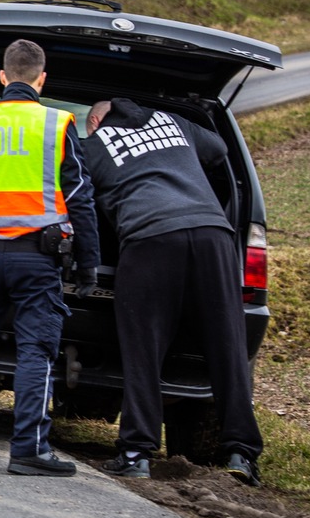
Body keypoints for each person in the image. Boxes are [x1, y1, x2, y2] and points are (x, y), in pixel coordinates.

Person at [0, 39, 100, 476]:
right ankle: (28, 450)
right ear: (41, 79)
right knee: (36, 352)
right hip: (37, 258)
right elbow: (80, 198)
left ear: (4, 78)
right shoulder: (57, 124)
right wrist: (88, 263)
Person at [84, 98, 264, 486]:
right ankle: (241, 454)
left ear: (97, 120)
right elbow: (217, 151)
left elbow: (77, 198)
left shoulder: (94, 146)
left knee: (143, 350)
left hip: (150, 238)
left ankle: (136, 453)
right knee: (227, 346)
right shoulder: (170, 120)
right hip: (212, 233)